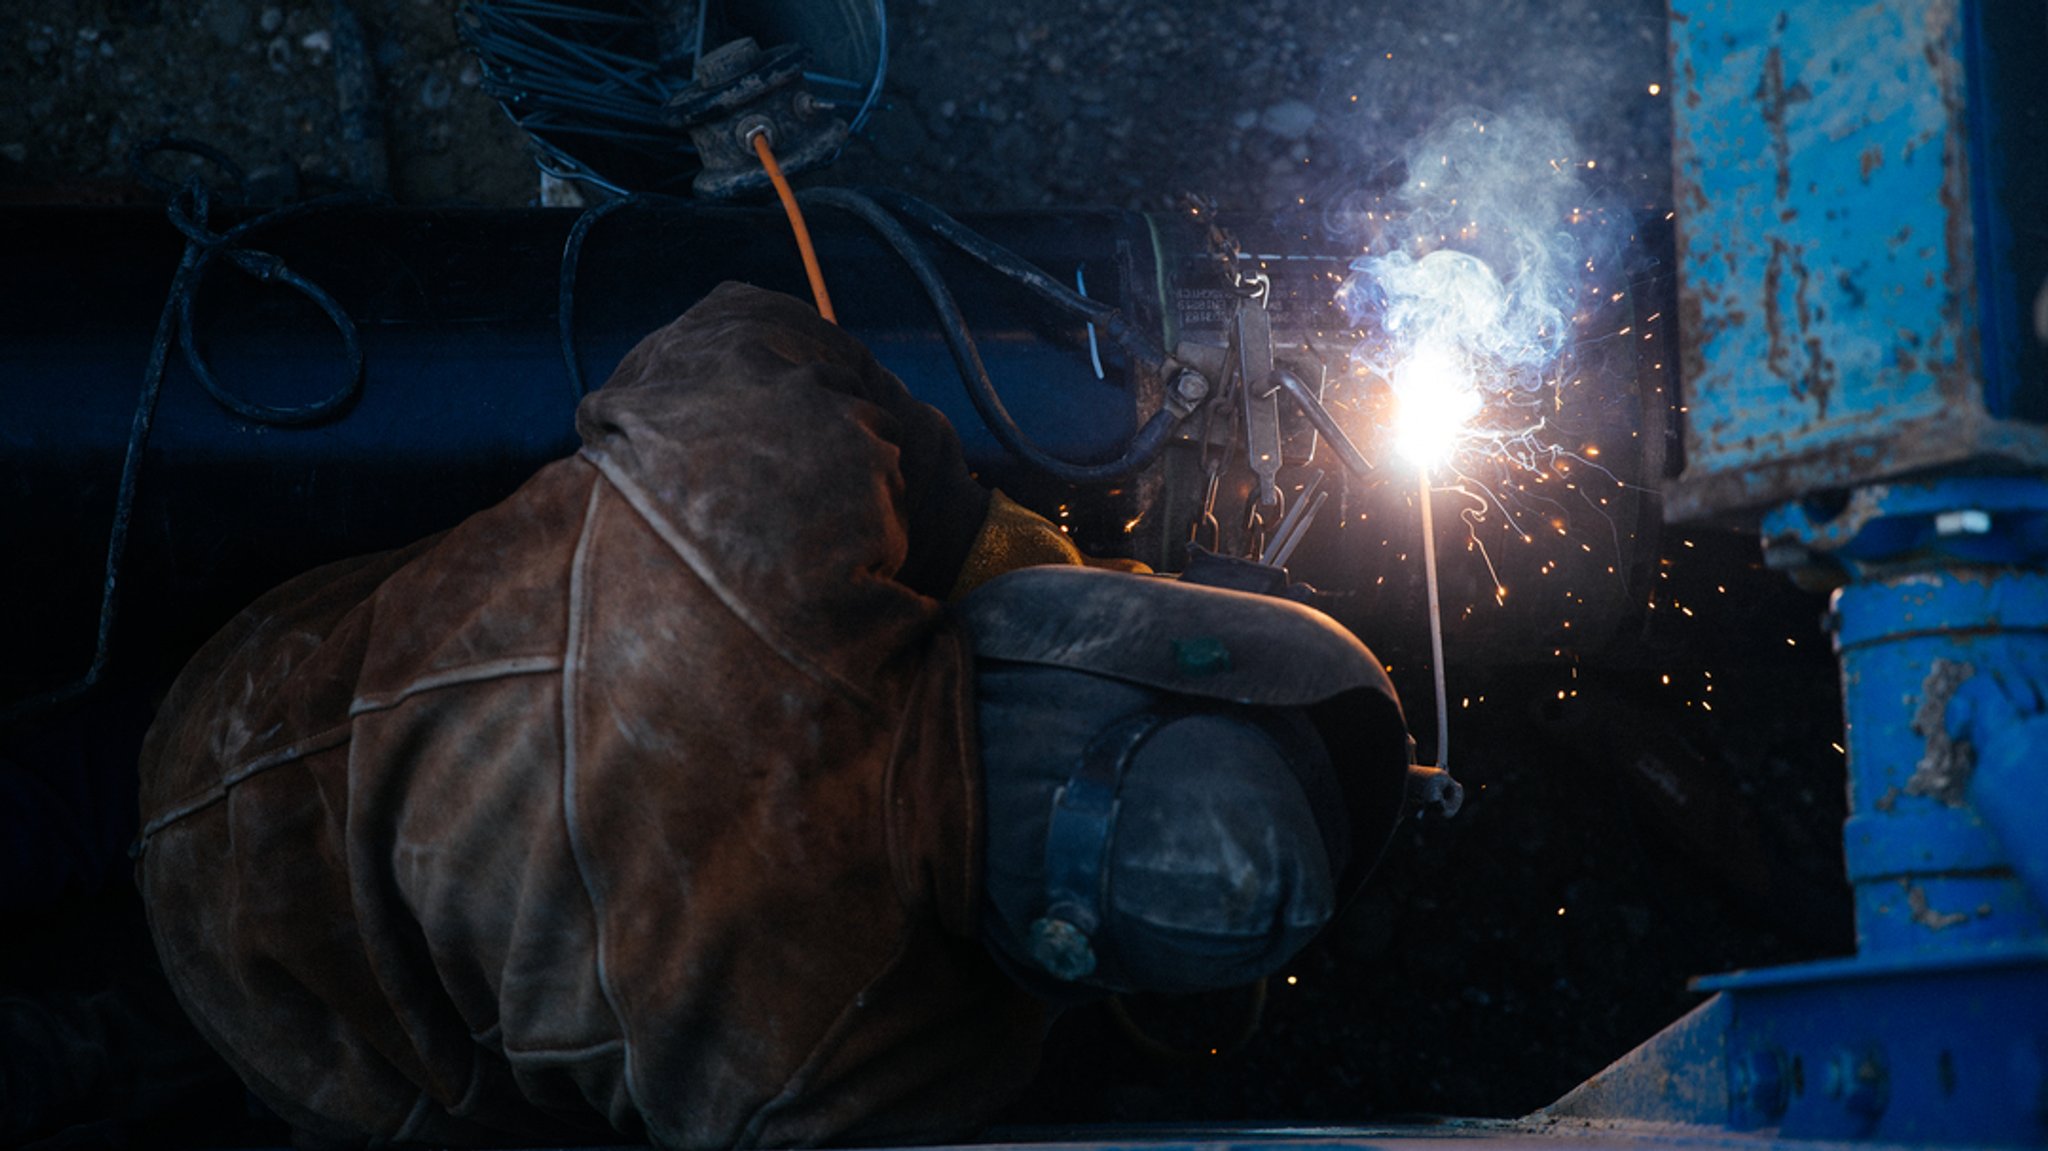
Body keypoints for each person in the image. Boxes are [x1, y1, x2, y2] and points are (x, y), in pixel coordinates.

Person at [133, 282, 1413, 1148]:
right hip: (298, 1045)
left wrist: (973, 538)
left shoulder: (778, 512)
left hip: (243, 707)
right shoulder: (890, 1063)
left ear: (1085, 660)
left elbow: (742, 330)